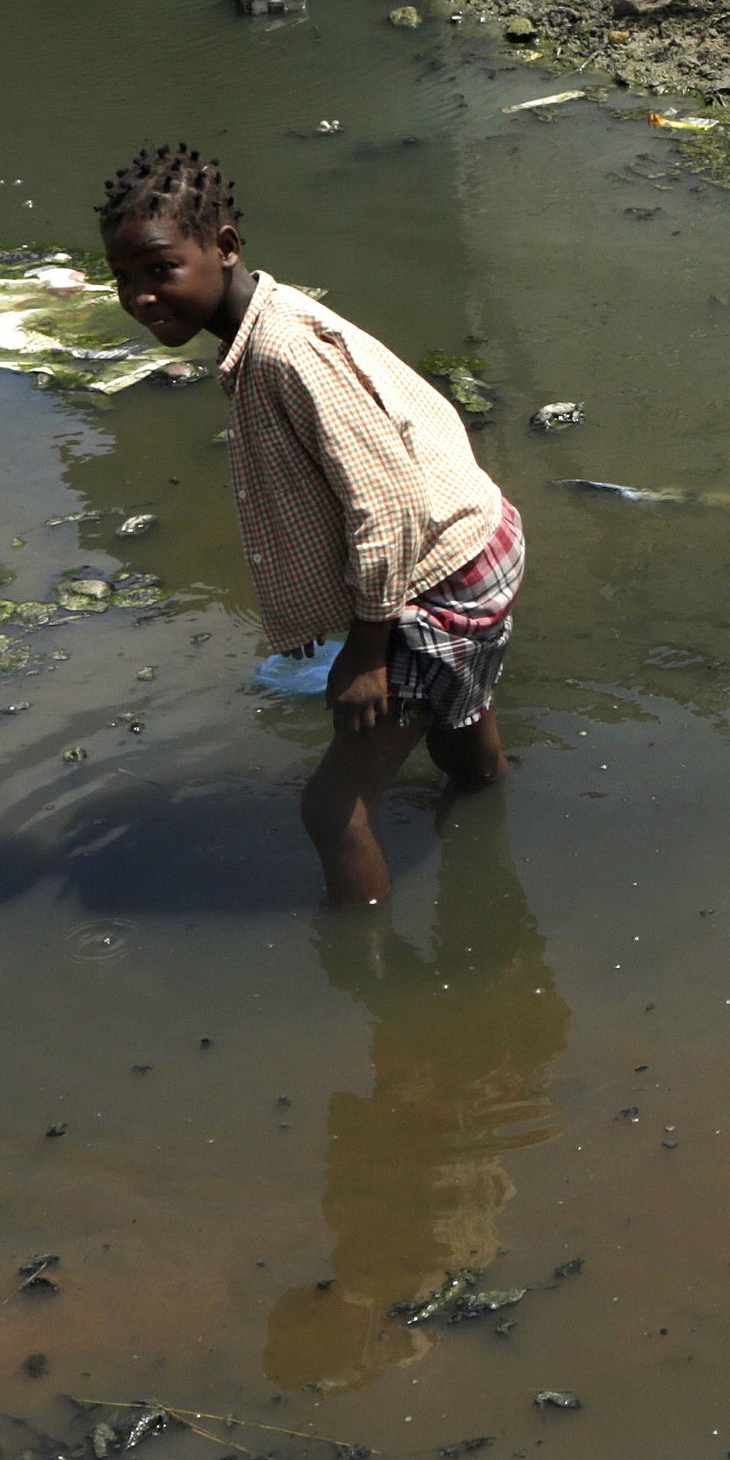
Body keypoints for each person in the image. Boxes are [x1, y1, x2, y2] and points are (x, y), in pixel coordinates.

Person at [99, 143, 520, 907]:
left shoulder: (285, 351)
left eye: (160, 270)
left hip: (439, 575)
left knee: (331, 810)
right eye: (123, 279)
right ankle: (492, 852)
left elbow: (384, 501)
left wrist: (367, 655)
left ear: (224, 248)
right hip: (472, 541)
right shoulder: (273, 321)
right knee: (457, 719)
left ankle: (385, 996)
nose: (141, 298)